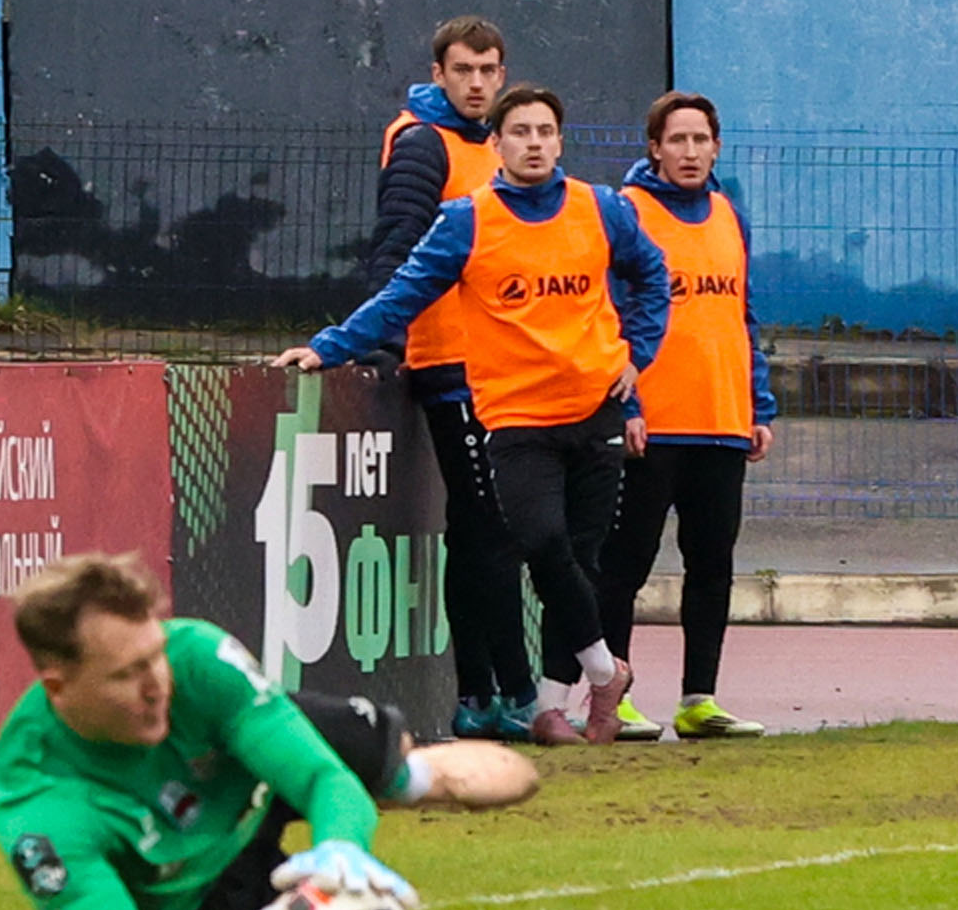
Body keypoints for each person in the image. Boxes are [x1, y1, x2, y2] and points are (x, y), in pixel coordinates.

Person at [0, 553, 538, 910]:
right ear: (58, 686)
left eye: (155, 654)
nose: (156, 684)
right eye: (127, 674)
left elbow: (323, 778)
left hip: (249, 780)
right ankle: (391, 782)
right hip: (199, 898)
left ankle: (407, 779)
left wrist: (342, 844)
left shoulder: (197, 660)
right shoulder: (40, 807)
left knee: (394, 765)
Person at [275, 85, 669, 748]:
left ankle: (552, 706)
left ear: (560, 141)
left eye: (545, 131)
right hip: (514, 416)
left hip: (595, 407)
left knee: (581, 557)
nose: (534, 143)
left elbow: (653, 276)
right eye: (521, 132)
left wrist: (638, 355)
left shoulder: (601, 208)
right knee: (540, 542)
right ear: (498, 143)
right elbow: (402, 294)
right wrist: (330, 346)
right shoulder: (467, 221)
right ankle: (606, 672)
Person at [370, 16, 538, 745]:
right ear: (438, 74)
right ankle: (513, 691)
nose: (476, 83)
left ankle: (481, 696)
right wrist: (384, 342)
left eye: (488, 70)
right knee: (489, 528)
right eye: (463, 70)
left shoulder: (494, 145)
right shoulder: (422, 144)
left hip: (503, 367)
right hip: (449, 367)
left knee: (480, 533)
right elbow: (397, 246)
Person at [596, 92, 777, 741]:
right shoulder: (627, 212)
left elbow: (741, 316)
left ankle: (699, 699)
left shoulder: (730, 216)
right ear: (654, 148)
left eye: (701, 140)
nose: (690, 151)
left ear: (717, 147)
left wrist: (758, 404)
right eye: (677, 140)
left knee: (712, 564)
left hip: (722, 422)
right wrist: (628, 403)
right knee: (625, 564)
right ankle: (611, 697)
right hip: (652, 424)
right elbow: (608, 313)